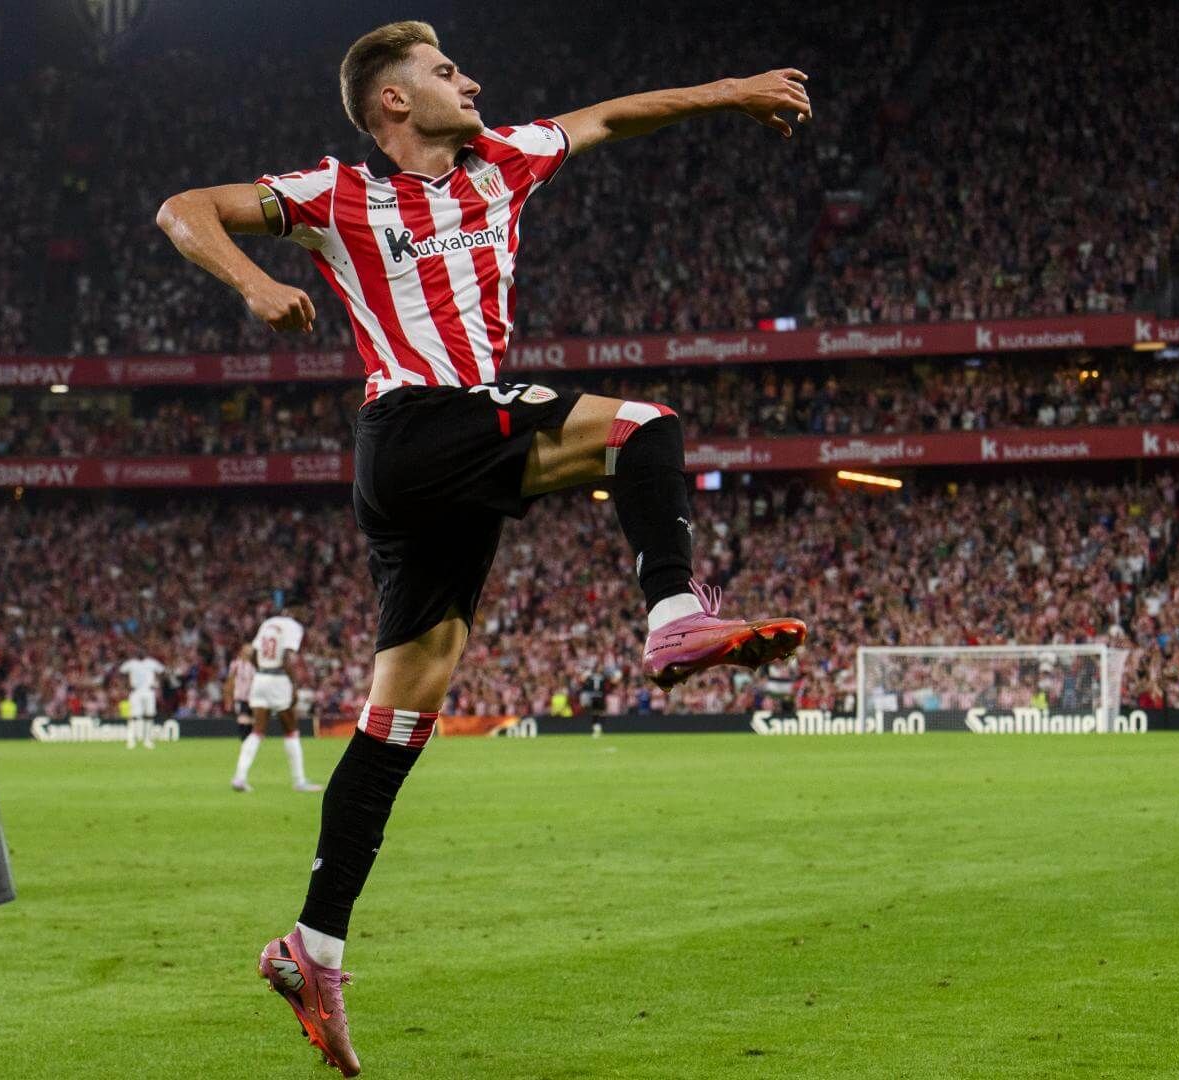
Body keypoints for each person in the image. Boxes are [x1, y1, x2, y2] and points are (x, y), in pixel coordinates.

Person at [156, 20, 809, 1074]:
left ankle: (311, 943)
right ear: (394, 105)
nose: (472, 82)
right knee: (644, 429)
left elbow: (611, 116)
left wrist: (737, 89)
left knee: (403, 709)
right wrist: (255, 284)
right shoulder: (339, 195)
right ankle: (673, 617)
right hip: (416, 425)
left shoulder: (504, 161)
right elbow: (184, 209)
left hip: (440, 469)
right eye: (447, 72)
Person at [231, 596, 319, 794]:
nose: (305, 614)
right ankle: (299, 780)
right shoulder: (294, 627)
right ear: (293, 610)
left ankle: (239, 777)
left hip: (260, 678)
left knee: (257, 730)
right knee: (291, 729)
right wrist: (293, 686)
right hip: (278, 680)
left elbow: (253, 654)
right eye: (303, 610)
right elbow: (287, 657)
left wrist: (262, 670)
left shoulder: (268, 623)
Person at [118, 650, 167, 750]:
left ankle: (147, 740)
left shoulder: (151, 662)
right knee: (133, 716)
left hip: (149, 691)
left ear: (146, 654)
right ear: (136, 655)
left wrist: (157, 683)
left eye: (143, 653)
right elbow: (121, 671)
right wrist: (126, 684)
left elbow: (162, 671)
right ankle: (131, 739)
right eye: (139, 653)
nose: (141, 654)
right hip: (136, 692)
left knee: (149, 715)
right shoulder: (131, 663)